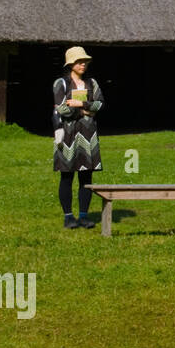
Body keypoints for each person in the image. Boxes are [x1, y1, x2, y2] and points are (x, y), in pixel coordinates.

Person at [53, 46, 104, 229]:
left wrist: (80, 103)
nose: (83, 64)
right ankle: (68, 217)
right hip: (67, 134)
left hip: (88, 135)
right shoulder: (61, 83)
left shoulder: (92, 83)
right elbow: (61, 108)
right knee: (66, 176)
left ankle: (83, 215)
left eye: (85, 61)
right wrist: (84, 111)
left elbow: (99, 104)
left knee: (86, 177)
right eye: (79, 61)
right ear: (71, 64)